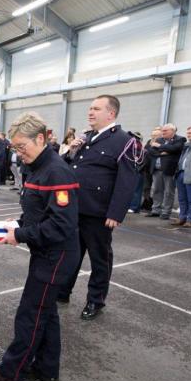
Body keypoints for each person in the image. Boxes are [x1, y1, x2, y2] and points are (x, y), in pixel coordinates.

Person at [0, 112, 79, 381]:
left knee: (30, 315)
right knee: (46, 314)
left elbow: (61, 225)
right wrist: (19, 224)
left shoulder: (56, 171)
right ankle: (47, 370)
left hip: (55, 256)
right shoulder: (37, 167)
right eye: (15, 148)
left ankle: (10, 372)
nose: (19, 153)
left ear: (42, 139)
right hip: (47, 253)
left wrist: (20, 234)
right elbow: (41, 213)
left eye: (22, 147)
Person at [58, 95, 138, 320]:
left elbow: (127, 180)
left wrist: (116, 213)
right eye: (90, 108)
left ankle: (95, 300)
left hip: (99, 212)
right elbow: (67, 166)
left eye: (96, 109)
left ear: (111, 114)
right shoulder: (86, 137)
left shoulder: (125, 141)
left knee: (99, 259)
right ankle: (63, 291)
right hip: (75, 208)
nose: (90, 112)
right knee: (71, 254)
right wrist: (70, 152)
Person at [146, 123, 185, 220]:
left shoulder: (180, 139)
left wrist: (159, 146)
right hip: (156, 169)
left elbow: (175, 149)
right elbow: (151, 151)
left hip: (169, 170)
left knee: (168, 192)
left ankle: (166, 212)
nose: (162, 132)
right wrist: (164, 153)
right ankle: (156, 210)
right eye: (162, 130)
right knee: (156, 190)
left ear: (172, 131)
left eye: (165, 131)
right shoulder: (160, 139)